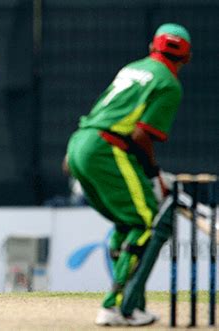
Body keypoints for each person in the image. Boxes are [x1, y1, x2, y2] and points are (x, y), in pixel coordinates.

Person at [63, 23, 191, 326]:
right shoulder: (169, 84)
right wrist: (154, 173)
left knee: (128, 222)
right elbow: (140, 135)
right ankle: (118, 305)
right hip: (107, 148)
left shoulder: (133, 68)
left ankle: (135, 305)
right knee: (147, 220)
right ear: (185, 59)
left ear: (151, 47)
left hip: (81, 141)